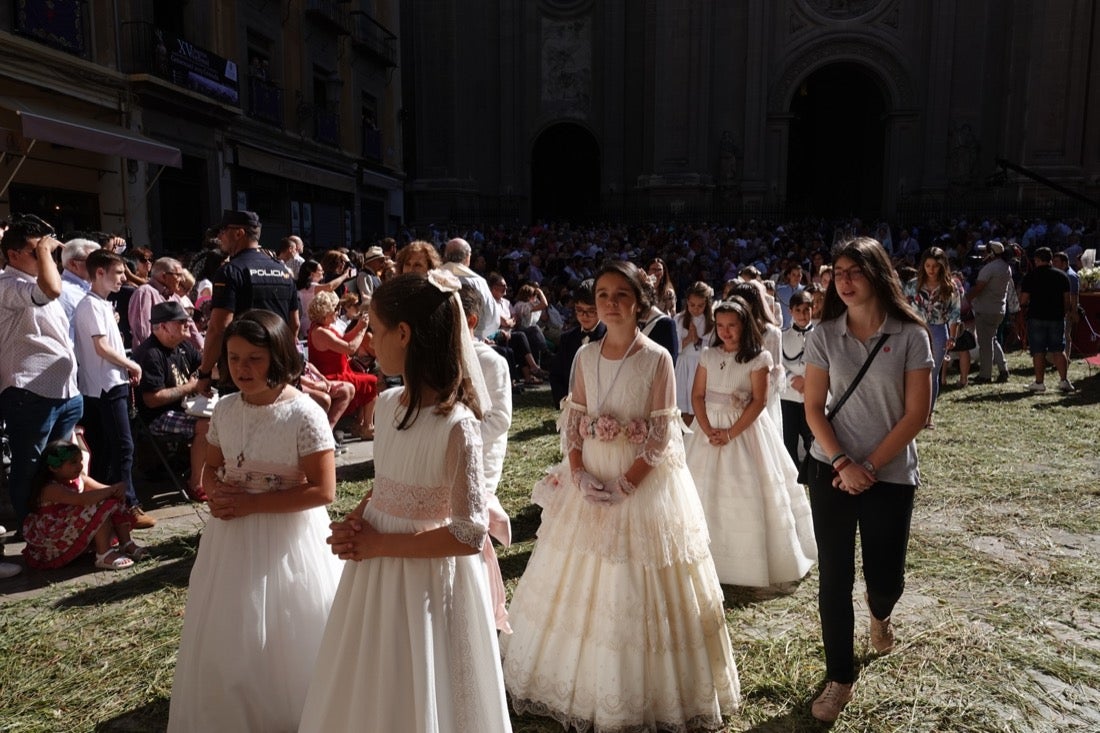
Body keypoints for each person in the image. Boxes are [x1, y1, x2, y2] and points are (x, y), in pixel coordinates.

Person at [500, 260, 739, 732]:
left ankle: (638, 691)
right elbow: (574, 418)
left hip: (641, 483)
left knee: (635, 573)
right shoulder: (586, 356)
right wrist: (578, 472)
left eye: (621, 295)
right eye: (604, 295)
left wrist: (627, 483)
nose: (611, 303)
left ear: (639, 301)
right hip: (589, 477)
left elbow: (662, 433)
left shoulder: (657, 358)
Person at [299, 270, 511, 732]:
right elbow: (387, 484)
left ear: (404, 333)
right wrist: (356, 522)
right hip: (376, 571)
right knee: (376, 669)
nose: (369, 341)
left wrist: (380, 544)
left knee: (422, 669)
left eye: (374, 330)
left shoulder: (457, 425)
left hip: (428, 577)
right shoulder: (391, 403)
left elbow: (469, 533)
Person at [168, 310, 341, 732]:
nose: (242, 369)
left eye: (254, 359)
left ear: (279, 356)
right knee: (232, 619)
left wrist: (254, 504)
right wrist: (217, 492)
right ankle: (234, 701)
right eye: (233, 358)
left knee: (288, 622)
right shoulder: (225, 410)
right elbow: (211, 467)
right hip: (231, 535)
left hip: (288, 536)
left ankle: (293, 709)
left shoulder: (304, 413)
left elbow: (323, 490)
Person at [802, 237, 932, 723]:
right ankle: (840, 677)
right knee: (834, 579)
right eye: (837, 272)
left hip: (891, 473)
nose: (845, 280)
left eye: (855, 270)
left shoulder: (910, 334)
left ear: (878, 274)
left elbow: (917, 414)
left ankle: (880, 615)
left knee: (885, 580)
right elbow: (813, 407)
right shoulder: (824, 333)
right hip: (830, 469)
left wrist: (870, 466)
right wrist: (842, 463)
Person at [685, 296, 816, 586]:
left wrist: (731, 433)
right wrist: (706, 428)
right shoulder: (709, 355)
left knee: (746, 489)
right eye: (720, 325)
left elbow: (758, 401)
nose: (725, 331)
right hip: (708, 428)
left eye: (732, 325)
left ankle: (745, 562)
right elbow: (697, 395)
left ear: (744, 326)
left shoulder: (759, 359)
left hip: (743, 429)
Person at [0, 215, 83, 530]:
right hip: (30, 393)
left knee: (57, 468)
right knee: (30, 466)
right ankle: (31, 531)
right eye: (38, 251)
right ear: (13, 255)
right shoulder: (6, 284)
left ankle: (58, 527)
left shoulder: (39, 281)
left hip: (63, 391)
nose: (46, 256)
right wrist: (49, 250)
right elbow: (50, 290)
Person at [72, 249, 154, 529]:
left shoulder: (100, 304)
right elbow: (101, 347)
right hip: (105, 384)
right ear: (99, 273)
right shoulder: (91, 305)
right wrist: (132, 365)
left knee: (112, 447)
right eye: (118, 273)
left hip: (107, 382)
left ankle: (111, 506)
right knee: (122, 446)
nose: (123, 279)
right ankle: (127, 503)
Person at [194, 210, 300, 396]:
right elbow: (294, 324)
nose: (220, 237)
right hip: (276, 368)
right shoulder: (283, 272)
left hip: (242, 373)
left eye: (223, 231)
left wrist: (204, 373)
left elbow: (219, 328)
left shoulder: (230, 272)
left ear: (239, 233)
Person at [460, 283, 514, 631]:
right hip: (439, 457)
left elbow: (499, 420)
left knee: (469, 528)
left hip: (479, 457)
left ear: (472, 320)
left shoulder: (490, 362)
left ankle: (478, 607)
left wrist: (454, 438)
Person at [21, 440, 146, 571]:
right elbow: (80, 499)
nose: (80, 466)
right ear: (54, 468)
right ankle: (104, 554)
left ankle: (126, 543)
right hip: (52, 539)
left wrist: (116, 489)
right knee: (100, 505)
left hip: (68, 529)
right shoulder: (50, 488)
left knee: (113, 501)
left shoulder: (79, 479)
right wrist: (111, 490)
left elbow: (106, 490)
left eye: (80, 461)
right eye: (73, 463)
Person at [133, 301, 211, 502]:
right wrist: (190, 388)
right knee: (206, 426)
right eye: (180, 321)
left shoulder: (182, 345)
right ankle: (196, 483)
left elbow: (204, 367)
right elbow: (152, 400)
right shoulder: (151, 353)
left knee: (225, 415)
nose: (187, 324)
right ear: (163, 326)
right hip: (157, 417)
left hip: (185, 409)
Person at [307, 290, 378, 439]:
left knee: (366, 378)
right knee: (372, 381)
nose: (337, 313)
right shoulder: (320, 332)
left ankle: (361, 423)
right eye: (335, 310)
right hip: (332, 375)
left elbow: (344, 340)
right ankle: (367, 426)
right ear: (325, 313)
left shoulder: (324, 327)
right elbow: (350, 348)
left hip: (342, 371)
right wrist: (363, 329)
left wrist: (358, 327)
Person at [904, 247, 961, 427]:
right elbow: (903, 307)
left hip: (938, 330)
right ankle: (909, 411)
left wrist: (952, 337)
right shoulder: (913, 285)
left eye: (935, 266)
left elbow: (955, 313)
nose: (931, 270)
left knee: (932, 373)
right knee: (911, 371)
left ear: (942, 266)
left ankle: (928, 414)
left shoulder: (950, 287)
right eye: (928, 265)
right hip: (915, 329)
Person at [1019, 247, 1074, 393]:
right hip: (1056, 317)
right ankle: (1064, 380)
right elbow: (1067, 300)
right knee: (1058, 349)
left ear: (1037, 260)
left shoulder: (1030, 276)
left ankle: (1039, 382)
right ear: (1050, 259)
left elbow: (1023, 300)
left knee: (1038, 351)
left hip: (1036, 316)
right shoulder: (1062, 276)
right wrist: (1064, 312)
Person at [549, 279, 605, 405]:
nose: (584, 315)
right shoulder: (567, 338)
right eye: (579, 310)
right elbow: (556, 375)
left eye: (591, 311)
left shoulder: (610, 336)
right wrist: (564, 401)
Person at [966, 241, 1012, 383]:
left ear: (991, 253)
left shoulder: (989, 268)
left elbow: (978, 288)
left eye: (985, 252)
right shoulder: (1006, 267)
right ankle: (1003, 369)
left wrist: (964, 300)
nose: (982, 255)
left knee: (985, 344)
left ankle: (985, 375)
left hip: (986, 309)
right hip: (999, 308)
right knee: (992, 340)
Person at [780, 290, 816, 466]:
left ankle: (812, 471)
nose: (803, 315)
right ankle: (793, 473)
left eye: (806, 310)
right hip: (789, 395)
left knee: (812, 437)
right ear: (790, 312)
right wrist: (793, 379)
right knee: (789, 439)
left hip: (812, 395)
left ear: (813, 310)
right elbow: (777, 363)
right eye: (798, 310)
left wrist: (808, 382)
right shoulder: (782, 336)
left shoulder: (819, 336)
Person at [674, 281, 715, 424]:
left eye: (700, 306)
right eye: (692, 305)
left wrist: (697, 339)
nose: (696, 309)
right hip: (683, 364)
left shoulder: (711, 322)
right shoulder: (679, 319)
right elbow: (674, 346)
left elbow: (713, 346)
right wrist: (688, 339)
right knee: (681, 407)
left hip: (699, 366)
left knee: (696, 406)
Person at [296, 258, 355, 338]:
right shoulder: (311, 287)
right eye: (320, 270)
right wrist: (345, 275)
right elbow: (330, 286)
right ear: (312, 274)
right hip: (311, 323)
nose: (323, 272)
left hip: (307, 322)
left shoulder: (305, 287)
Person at [776, 262, 806, 329]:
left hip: (799, 327)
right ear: (789, 275)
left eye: (799, 275)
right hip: (783, 327)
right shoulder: (780, 291)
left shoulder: (805, 290)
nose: (796, 277)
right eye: (793, 275)